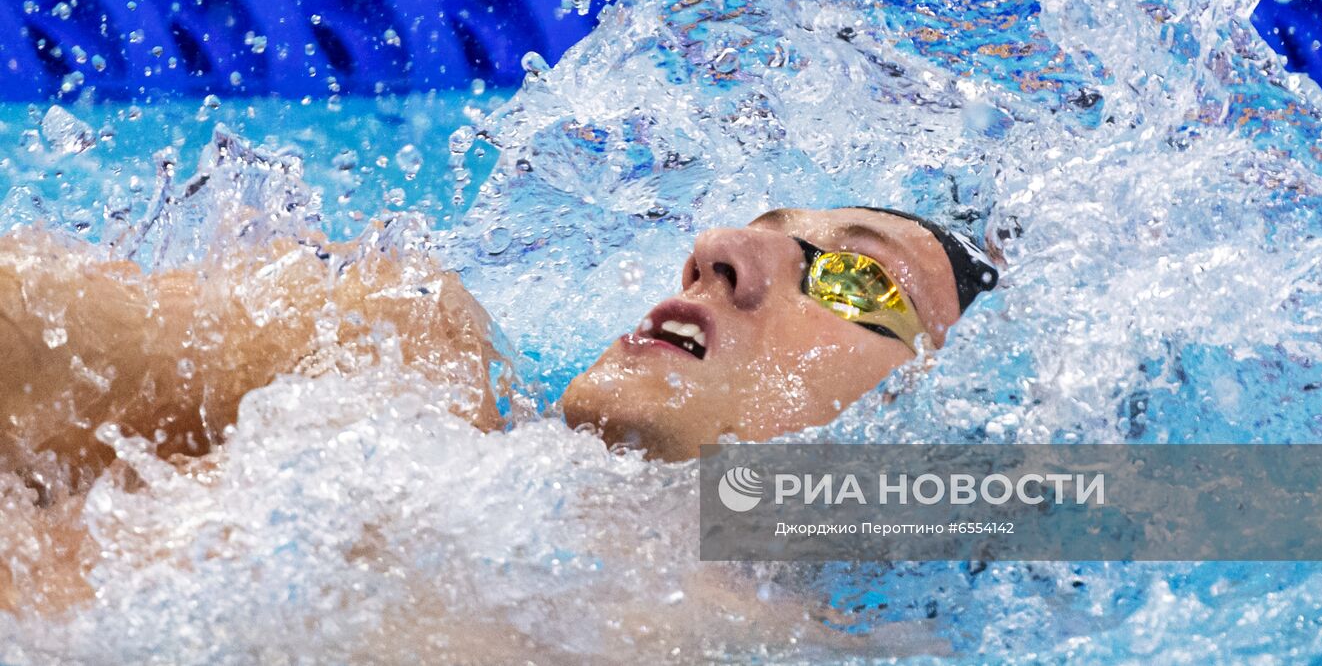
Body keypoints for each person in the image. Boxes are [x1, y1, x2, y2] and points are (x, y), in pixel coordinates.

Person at [0, 206, 997, 487]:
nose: (719, 250)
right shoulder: (398, 360)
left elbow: (1130, 500)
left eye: (857, 277)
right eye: (756, 226)